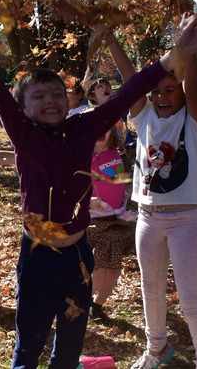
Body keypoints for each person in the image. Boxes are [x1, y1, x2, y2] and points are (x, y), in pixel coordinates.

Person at [0, 5, 197, 369]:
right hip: (38, 257)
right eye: (38, 96)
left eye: (56, 93)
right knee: (28, 346)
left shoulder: (84, 130)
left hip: (78, 258)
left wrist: (174, 55)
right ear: (24, 108)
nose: (50, 100)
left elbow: (129, 91)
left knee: (70, 347)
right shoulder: (25, 136)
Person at [105, 10, 197, 369]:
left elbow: (194, 88)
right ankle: (156, 349)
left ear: (182, 93)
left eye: (171, 90)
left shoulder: (195, 120)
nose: (162, 96)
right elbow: (131, 80)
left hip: (189, 219)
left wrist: (189, 51)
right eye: (157, 92)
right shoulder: (144, 118)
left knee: (190, 298)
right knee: (150, 291)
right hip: (148, 218)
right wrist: (108, 37)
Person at [86, 126, 136, 321]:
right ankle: (77, 304)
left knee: (114, 270)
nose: (101, 129)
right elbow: (66, 188)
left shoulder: (114, 154)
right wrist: (84, 202)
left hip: (118, 219)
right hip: (96, 222)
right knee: (98, 270)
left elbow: (121, 182)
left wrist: (138, 194)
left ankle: (96, 307)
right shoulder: (81, 156)